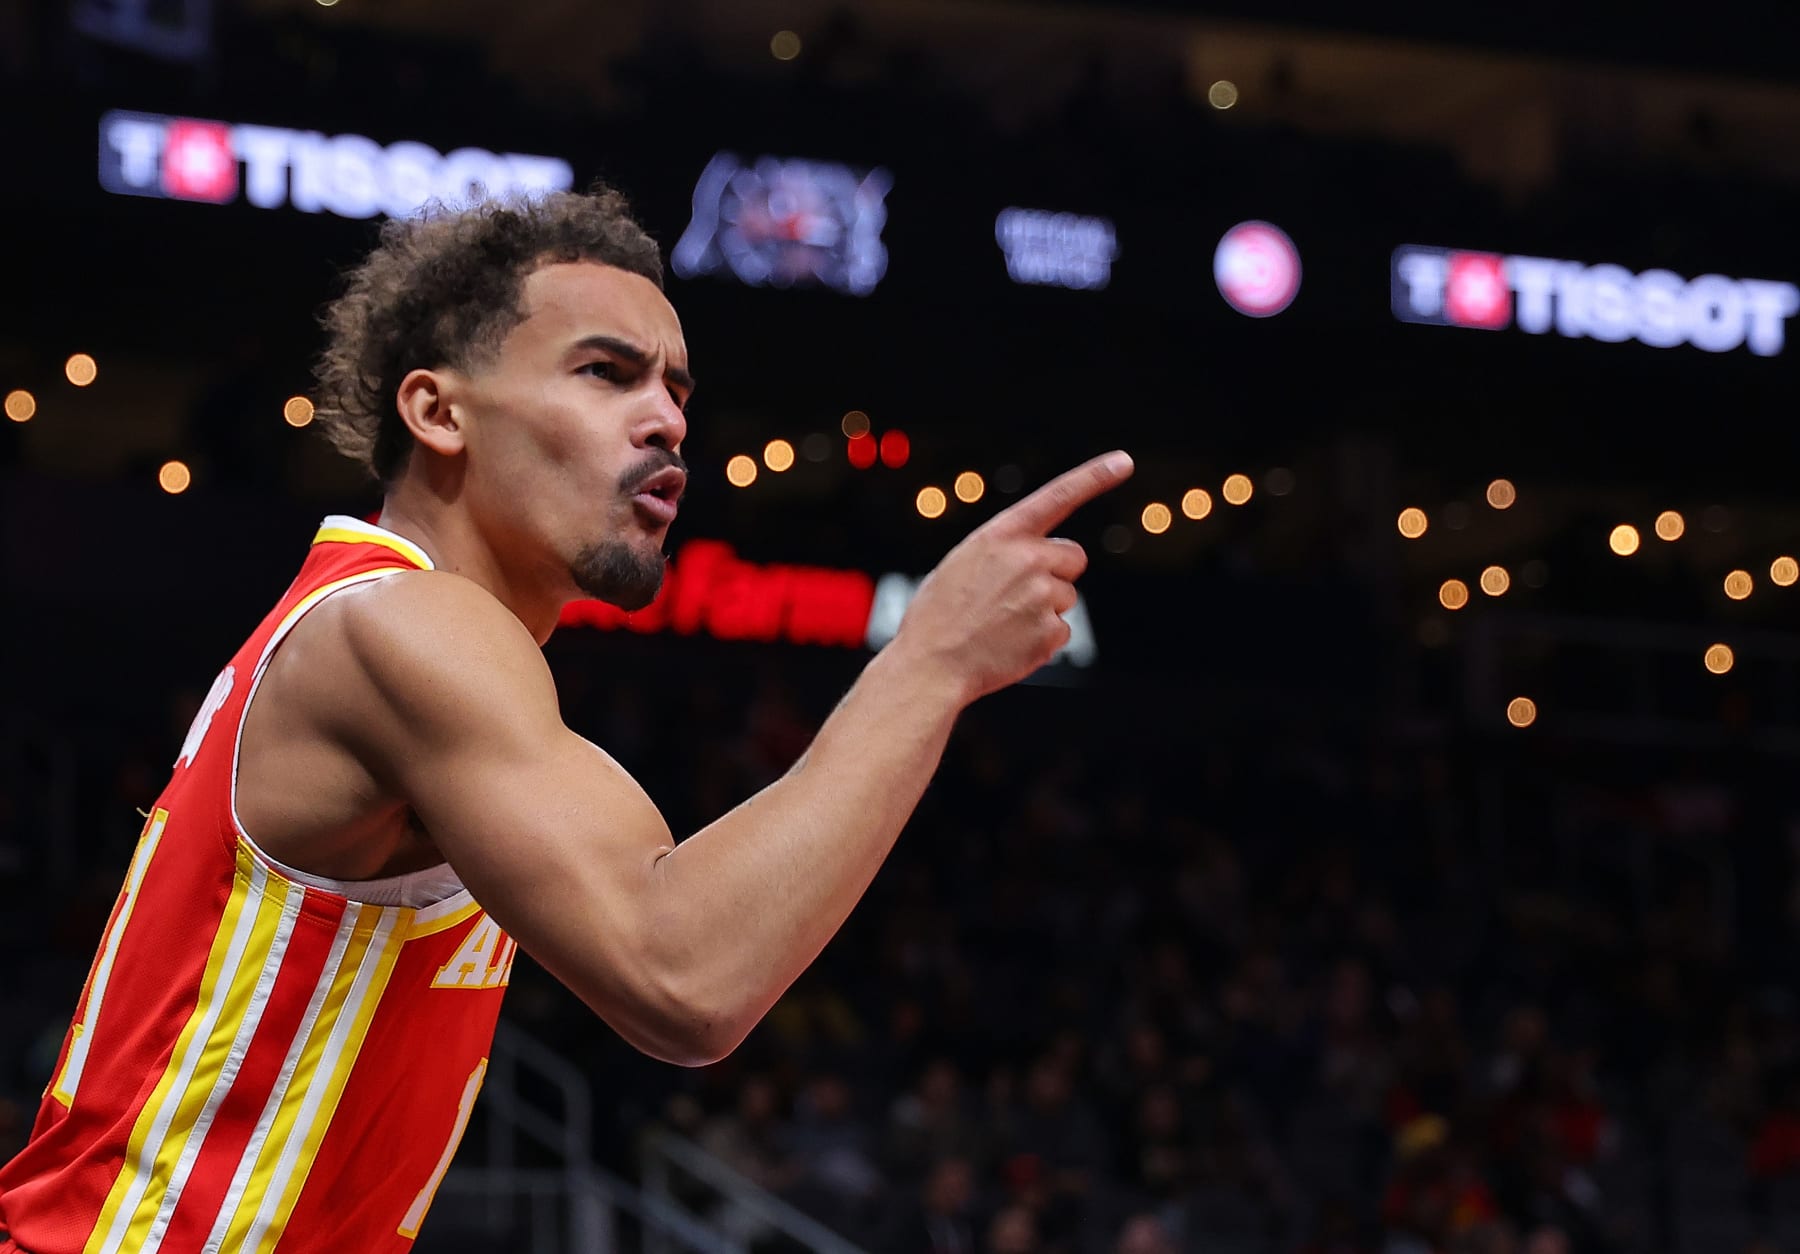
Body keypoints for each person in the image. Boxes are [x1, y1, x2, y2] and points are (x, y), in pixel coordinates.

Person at [0, 185, 1131, 1251]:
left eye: (679, 391)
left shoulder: (419, 638)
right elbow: (686, 975)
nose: (667, 424)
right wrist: (927, 662)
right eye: (607, 374)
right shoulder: (403, 625)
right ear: (439, 411)